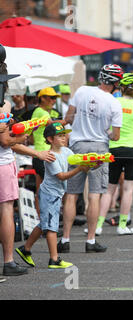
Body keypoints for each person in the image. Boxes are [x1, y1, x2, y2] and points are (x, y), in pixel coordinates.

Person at [0, 55, 56, 277]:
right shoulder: (3, 104)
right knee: (6, 210)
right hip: (3, 165)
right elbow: (5, 142)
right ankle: (9, 261)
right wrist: (23, 138)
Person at [60, 64, 123, 253]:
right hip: (99, 149)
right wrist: (106, 132)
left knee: (72, 194)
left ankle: (65, 239)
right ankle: (90, 241)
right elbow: (116, 136)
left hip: (77, 146)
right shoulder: (114, 103)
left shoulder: (81, 91)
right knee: (94, 194)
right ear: (115, 83)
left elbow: (68, 117)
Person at [15, 123, 89, 269]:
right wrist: (80, 169)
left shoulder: (66, 151)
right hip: (49, 195)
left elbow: (78, 160)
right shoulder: (50, 156)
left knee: (44, 224)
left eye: (64, 135)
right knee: (51, 227)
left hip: (55, 194)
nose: (64, 138)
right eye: (60, 136)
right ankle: (54, 259)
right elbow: (61, 176)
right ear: (50, 139)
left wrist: (93, 162)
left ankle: (26, 249)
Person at [95, 73, 133, 236]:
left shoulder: (114, 102)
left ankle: (98, 226)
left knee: (108, 190)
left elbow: (104, 125)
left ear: (121, 87)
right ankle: (122, 226)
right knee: (128, 190)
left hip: (113, 149)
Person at [30, 87, 65, 214]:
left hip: (39, 155)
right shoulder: (41, 112)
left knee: (41, 190)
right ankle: (47, 220)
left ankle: (42, 220)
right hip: (45, 155)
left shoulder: (39, 111)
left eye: (55, 98)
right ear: (42, 98)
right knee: (50, 190)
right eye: (51, 98)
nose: (54, 101)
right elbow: (54, 126)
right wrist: (69, 120)